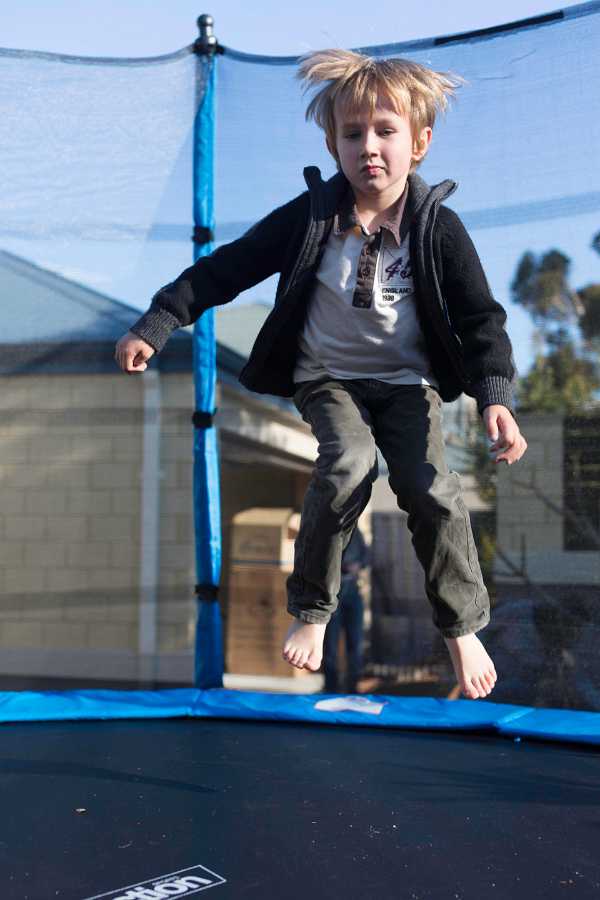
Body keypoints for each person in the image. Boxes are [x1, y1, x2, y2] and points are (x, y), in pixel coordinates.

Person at [114, 49, 528, 701]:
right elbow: (229, 267)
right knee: (348, 465)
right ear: (333, 144)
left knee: (432, 490)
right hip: (328, 379)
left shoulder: (438, 230)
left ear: (419, 143)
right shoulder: (311, 220)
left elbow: (481, 319)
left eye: (386, 131)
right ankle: (311, 609)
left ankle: (462, 627)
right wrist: (160, 321)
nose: (369, 147)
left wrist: (494, 397)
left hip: (407, 385)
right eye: (353, 134)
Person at [323, 523, 370, 695]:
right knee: (331, 645)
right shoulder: (327, 529)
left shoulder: (355, 531)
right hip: (333, 593)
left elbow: (366, 555)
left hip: (353, 592)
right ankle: (331, 687)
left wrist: (358, 565)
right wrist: (342, 566)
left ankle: (353, 687)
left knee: (356, 643)